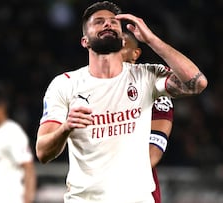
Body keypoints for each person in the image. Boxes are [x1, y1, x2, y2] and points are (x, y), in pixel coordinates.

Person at [35, 1, 207, 203]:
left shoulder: (146, 76)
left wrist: (151, 40)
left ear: (123, 40)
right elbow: (42, 152)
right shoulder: (64, 85)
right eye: (99, 22)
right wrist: (66, 128)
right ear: (85, 41)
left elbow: (197, 83)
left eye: (113, 23)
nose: (108, 24)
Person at [121, 31, 174, 203]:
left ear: (135, 53)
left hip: (135, 190)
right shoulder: (85, 87)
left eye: (120, 45)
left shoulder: (152, 86)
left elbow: (154, 148)